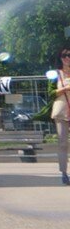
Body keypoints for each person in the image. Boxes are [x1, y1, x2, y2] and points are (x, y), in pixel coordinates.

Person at [49, 47, 70, 186]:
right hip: (61, 111)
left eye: (69, 55)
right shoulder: (55, 74)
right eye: (64, 55)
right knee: (62, 143)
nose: (67, 58)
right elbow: (50, 93)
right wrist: (64, 89)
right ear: (60, 58)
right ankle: (64, 172)